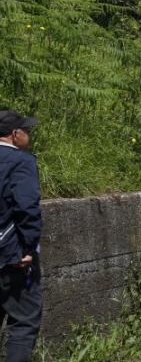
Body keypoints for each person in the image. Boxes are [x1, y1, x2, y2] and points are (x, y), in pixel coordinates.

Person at [0, 111, 42, 361]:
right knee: (23, 323)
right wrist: (28, 248)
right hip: (12, 257)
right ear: (15, 135)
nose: (30, 134)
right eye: (27, 130)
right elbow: (26, 207)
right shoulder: (20, 162)